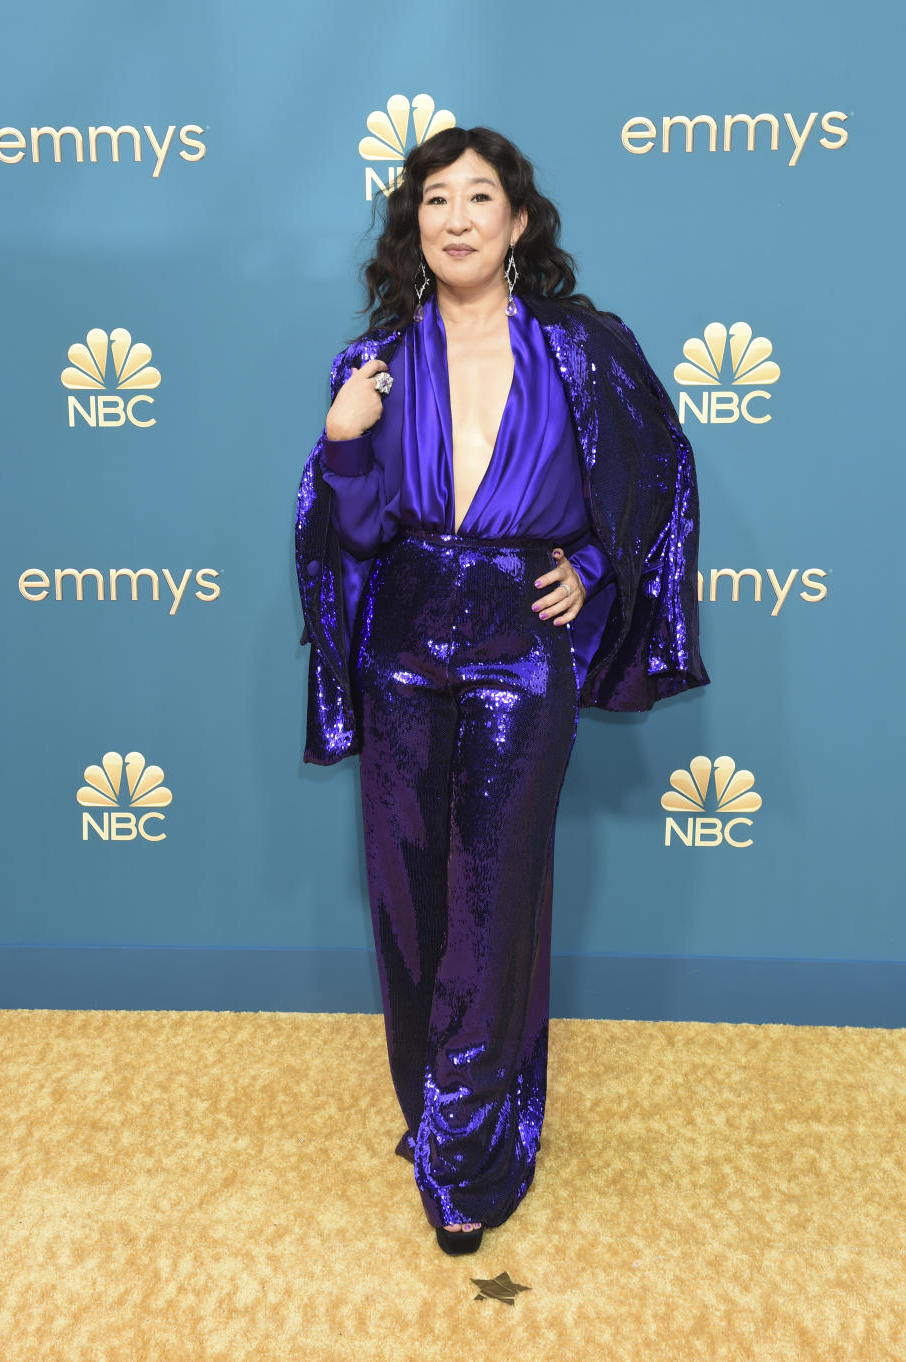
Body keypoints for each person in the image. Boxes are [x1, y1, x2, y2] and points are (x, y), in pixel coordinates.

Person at [295, 126, 709, 1255]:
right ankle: (441, 1105)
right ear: (413, 227)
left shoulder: (584, 349)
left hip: (521, 649)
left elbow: (658, 467)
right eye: (438, 199)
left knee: (494, 893)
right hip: (404, 637)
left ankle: (467, 1160)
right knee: (408, 892)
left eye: (483, 197)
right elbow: (362, 528)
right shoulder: (375, 363)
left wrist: (596, 565)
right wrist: (341, 445)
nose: (460, 217)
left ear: (519, 224)